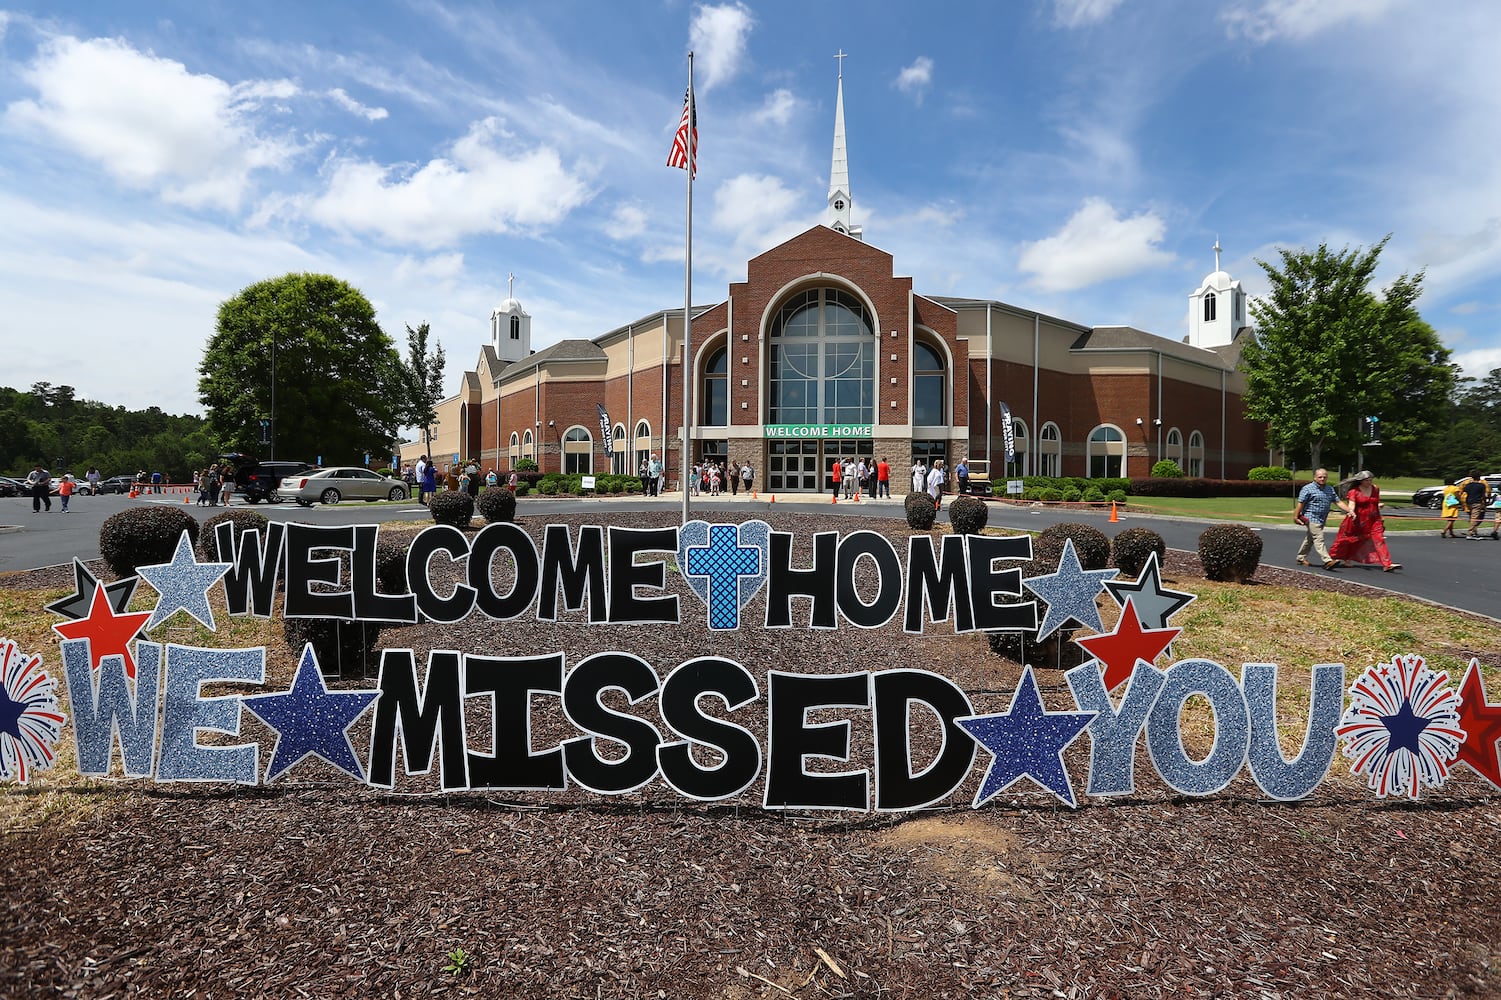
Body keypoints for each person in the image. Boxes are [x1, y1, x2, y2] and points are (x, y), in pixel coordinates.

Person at [1328, 470, 1400, 571]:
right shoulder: (1354, 491)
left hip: (1374, 519)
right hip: (1358, 520)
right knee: (1350, 540)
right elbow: (1351, 504)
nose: (1370, 482)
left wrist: (1379, 505)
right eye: (1367, 480)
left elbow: (1375, 501)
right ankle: (1343, 558)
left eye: (1371, 480)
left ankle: (1387, 564)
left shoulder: (1375, 489)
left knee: (1379, 539)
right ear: (1361, 481)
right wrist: (1351, 511)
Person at [1293, 468, 1351, 570]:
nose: (1322, 479)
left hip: (1322, 518)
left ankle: (1300, 558)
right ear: (1315, 477)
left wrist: (1349, 510)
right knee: (1319, 538)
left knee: (1310, 539)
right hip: (1310, 517)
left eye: (1324, 477)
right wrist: (1295, 516)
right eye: (1320, 477)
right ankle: (1327, 561)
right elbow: (1300, 503)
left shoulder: (1329, 489)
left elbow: (1338, 502)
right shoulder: (1307, 489)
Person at [1460, 471, 1492, 539]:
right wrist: (1486, 501)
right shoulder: (1482, 484)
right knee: (1476, 518)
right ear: (1479, 477)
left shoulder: (1467, 484)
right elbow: (1486, 493)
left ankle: (1474, 532)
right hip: (1477, 502)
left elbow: (1462, 491)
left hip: (1468, 502)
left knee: (1472, 517)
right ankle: (1470, 533)